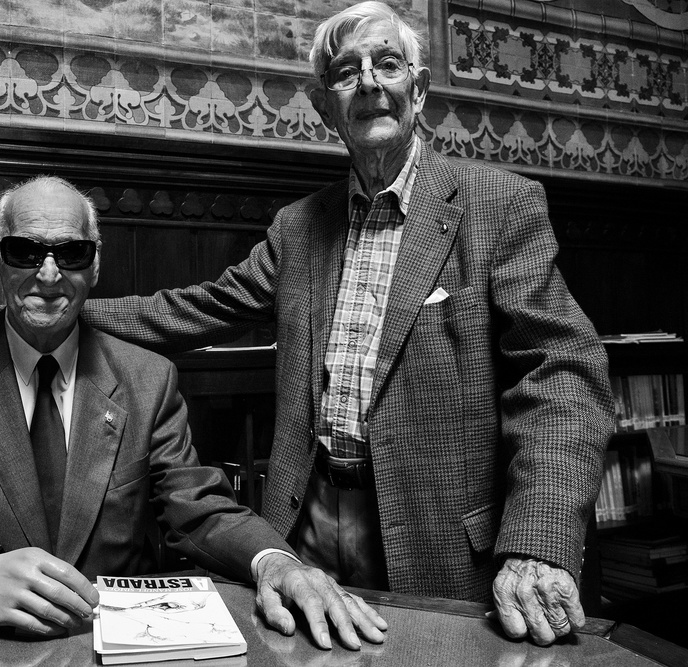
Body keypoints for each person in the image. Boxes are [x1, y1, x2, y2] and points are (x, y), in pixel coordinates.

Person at [81, 1, 613, 647]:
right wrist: (63, 309)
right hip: (307, 527)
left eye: (387, 64)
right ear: (324, 105)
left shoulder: (499, 204)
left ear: (419, 88)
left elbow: (565, 375)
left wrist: (539, 541)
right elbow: (199, 307)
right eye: (345, 72)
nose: (368, 83)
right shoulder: (299, 226)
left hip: (438, 542)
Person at [0, 175, 388, 650]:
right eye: (25, 251)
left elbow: (199, 510)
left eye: (71, 253)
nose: (49, 274)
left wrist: (277, 561)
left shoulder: (147, 380)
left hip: (119, 649)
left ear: (95, 265)